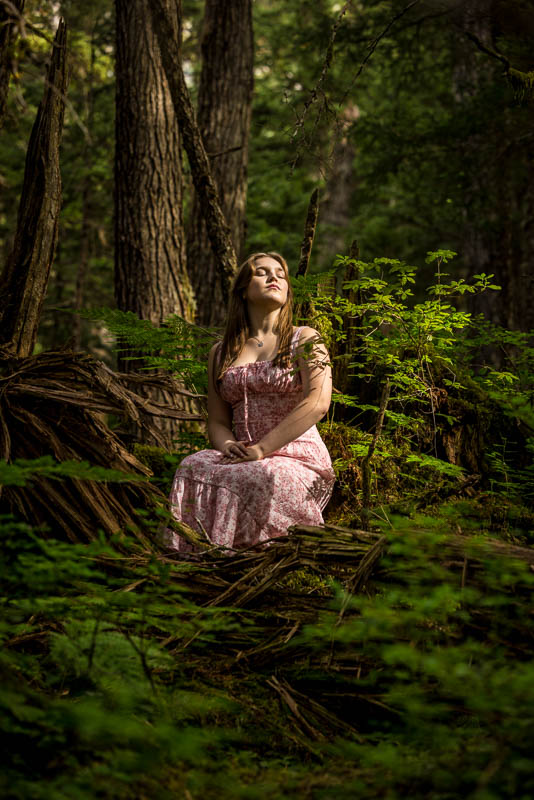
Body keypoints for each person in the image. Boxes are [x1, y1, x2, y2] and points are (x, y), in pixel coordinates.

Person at [165, 251, 336, 552]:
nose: (274, 278)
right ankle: (198, 559)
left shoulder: (305, 338)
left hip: (295, 456)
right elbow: (217, 420)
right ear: (243, 289)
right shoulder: (221, 352)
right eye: (263, 272)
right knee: (191, 465)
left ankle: (264, 562)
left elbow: (318, 403)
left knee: (261, 473)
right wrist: (229, 445)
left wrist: (262, 448)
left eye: (281, 275)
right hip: (241, 453)